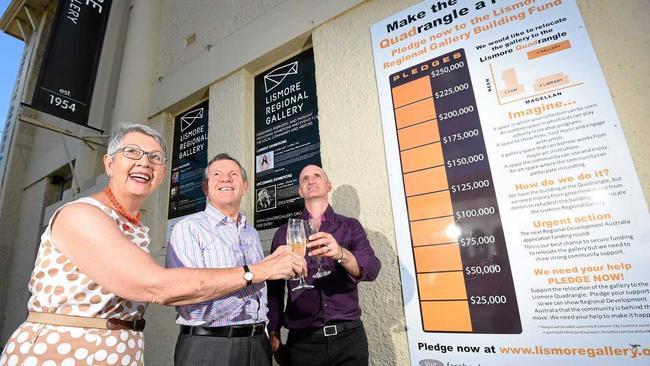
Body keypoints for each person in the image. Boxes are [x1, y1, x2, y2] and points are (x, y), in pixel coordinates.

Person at [0, 124, 304, 366]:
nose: (145, 162)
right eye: (132, 152)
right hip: (65, 354)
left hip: (125, 351)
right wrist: (258, 270)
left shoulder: (136, 228)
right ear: (109, 162)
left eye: (155, 157)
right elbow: (158, 287)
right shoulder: (81, 214)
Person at [166, 153, 275, 366]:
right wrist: (259, 273)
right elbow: (186, 297)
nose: (226, 178)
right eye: (217, 174)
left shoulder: (250, 231)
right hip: (210, 345)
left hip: (258, 344)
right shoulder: (189, 228)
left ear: (244, 186)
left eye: (233, 174)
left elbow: (261, 295)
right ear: (206, 188)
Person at [267, 165, 381, 366]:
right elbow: (273, 289)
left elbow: (372, 269)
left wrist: (342, 254)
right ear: (300, 191)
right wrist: (273, 333)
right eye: (305, 179)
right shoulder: (284, 233)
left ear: (328, 185)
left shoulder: (350, 226)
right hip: (303, 343)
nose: (311, 180)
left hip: (349, 338)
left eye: (317, 176)